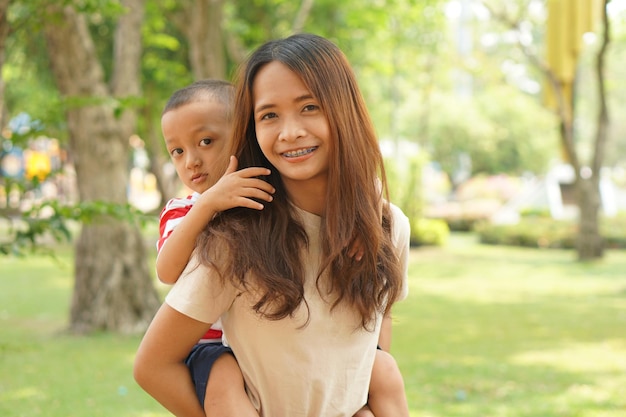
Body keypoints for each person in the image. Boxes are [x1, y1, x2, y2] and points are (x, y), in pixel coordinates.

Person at [134, 33, 411, 417]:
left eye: (309, 107)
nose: (289, 132)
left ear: (344, 109)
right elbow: (152, 366)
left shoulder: (388, 227)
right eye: (269, 115)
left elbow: (372, 344)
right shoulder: (234, 239)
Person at [156, 79, 274, 416]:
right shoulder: (182, 211)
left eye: (205, 141)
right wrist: (206, 206)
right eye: (177, 151)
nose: (190, 160)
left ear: (240, 134)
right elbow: (167, 271)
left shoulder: (264, 195)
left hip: (267, 344)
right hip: (209, 346)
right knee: (223, 375)